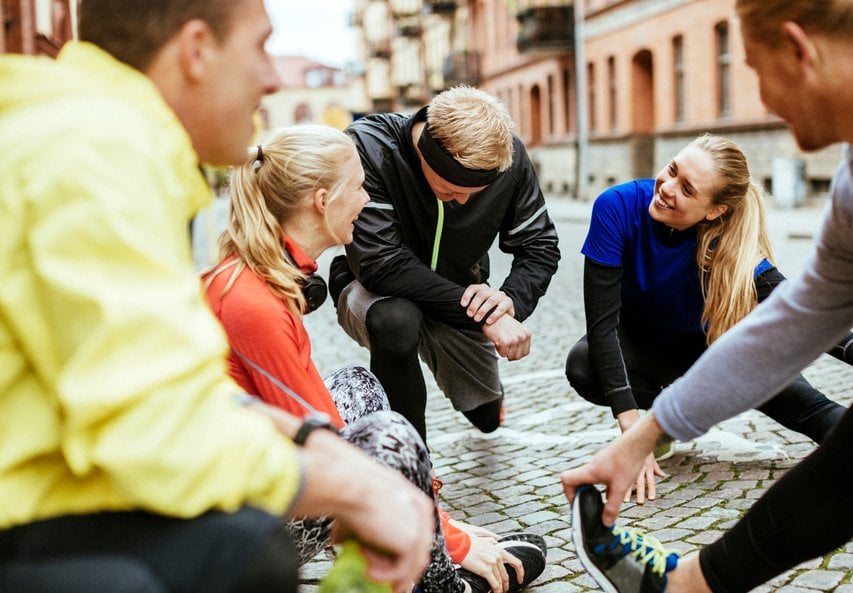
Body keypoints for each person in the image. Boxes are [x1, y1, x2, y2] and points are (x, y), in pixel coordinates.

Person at [0, 1, 434, 592]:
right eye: (260, 46)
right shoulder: (93, 156)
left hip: (45, 493)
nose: (273, 78)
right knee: (248, 554)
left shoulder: (80, 128)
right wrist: (360, 487)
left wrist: (314, 444)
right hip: (26, 518)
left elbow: (169, 388)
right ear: (197, 49)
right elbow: (152, 428)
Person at [562, 0, 853, 592]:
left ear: (797, 50)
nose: (762, 100)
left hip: (696, 348)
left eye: (754, 71)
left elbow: (779, 298)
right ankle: (684, 586)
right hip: (657, 357)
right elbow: (796, 321)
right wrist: (642, 433)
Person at [203, 124, 547, 593]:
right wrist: (453, 538)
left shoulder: (261, 277)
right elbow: (328, 452)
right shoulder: (252, 302)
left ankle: (427, 543)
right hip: (236, 538)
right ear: (322, 201)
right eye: (360, 188)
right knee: (388, 438)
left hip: (255, 484)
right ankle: (443, 583)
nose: (367, 202)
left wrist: (438, 520)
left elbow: (316, 419)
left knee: (358, 386)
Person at [565, 133, 853, 504]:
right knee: (583, 364)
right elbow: (603, 328)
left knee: (813, 410)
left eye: (687, 189)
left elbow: (802, 309)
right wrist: (634, 436)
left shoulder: (726, 242)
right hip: (641, 350)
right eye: (672, 170)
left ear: (714, 211)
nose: (666, 188)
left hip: (716, 355)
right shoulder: (617, 207)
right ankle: (658, 420)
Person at [328, 85, 561, 441]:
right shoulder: (370, 146)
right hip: (374, 284)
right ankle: (410, 462)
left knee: (486, 418)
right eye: (452, 190)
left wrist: (510, 300)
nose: (463, 202)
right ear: (427, 153)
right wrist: (485, 316)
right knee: (396, 321)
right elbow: (381, 263)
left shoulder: (508, 157)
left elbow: (539, 245)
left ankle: (487, 402)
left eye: (474, 193)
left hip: (458, 293)